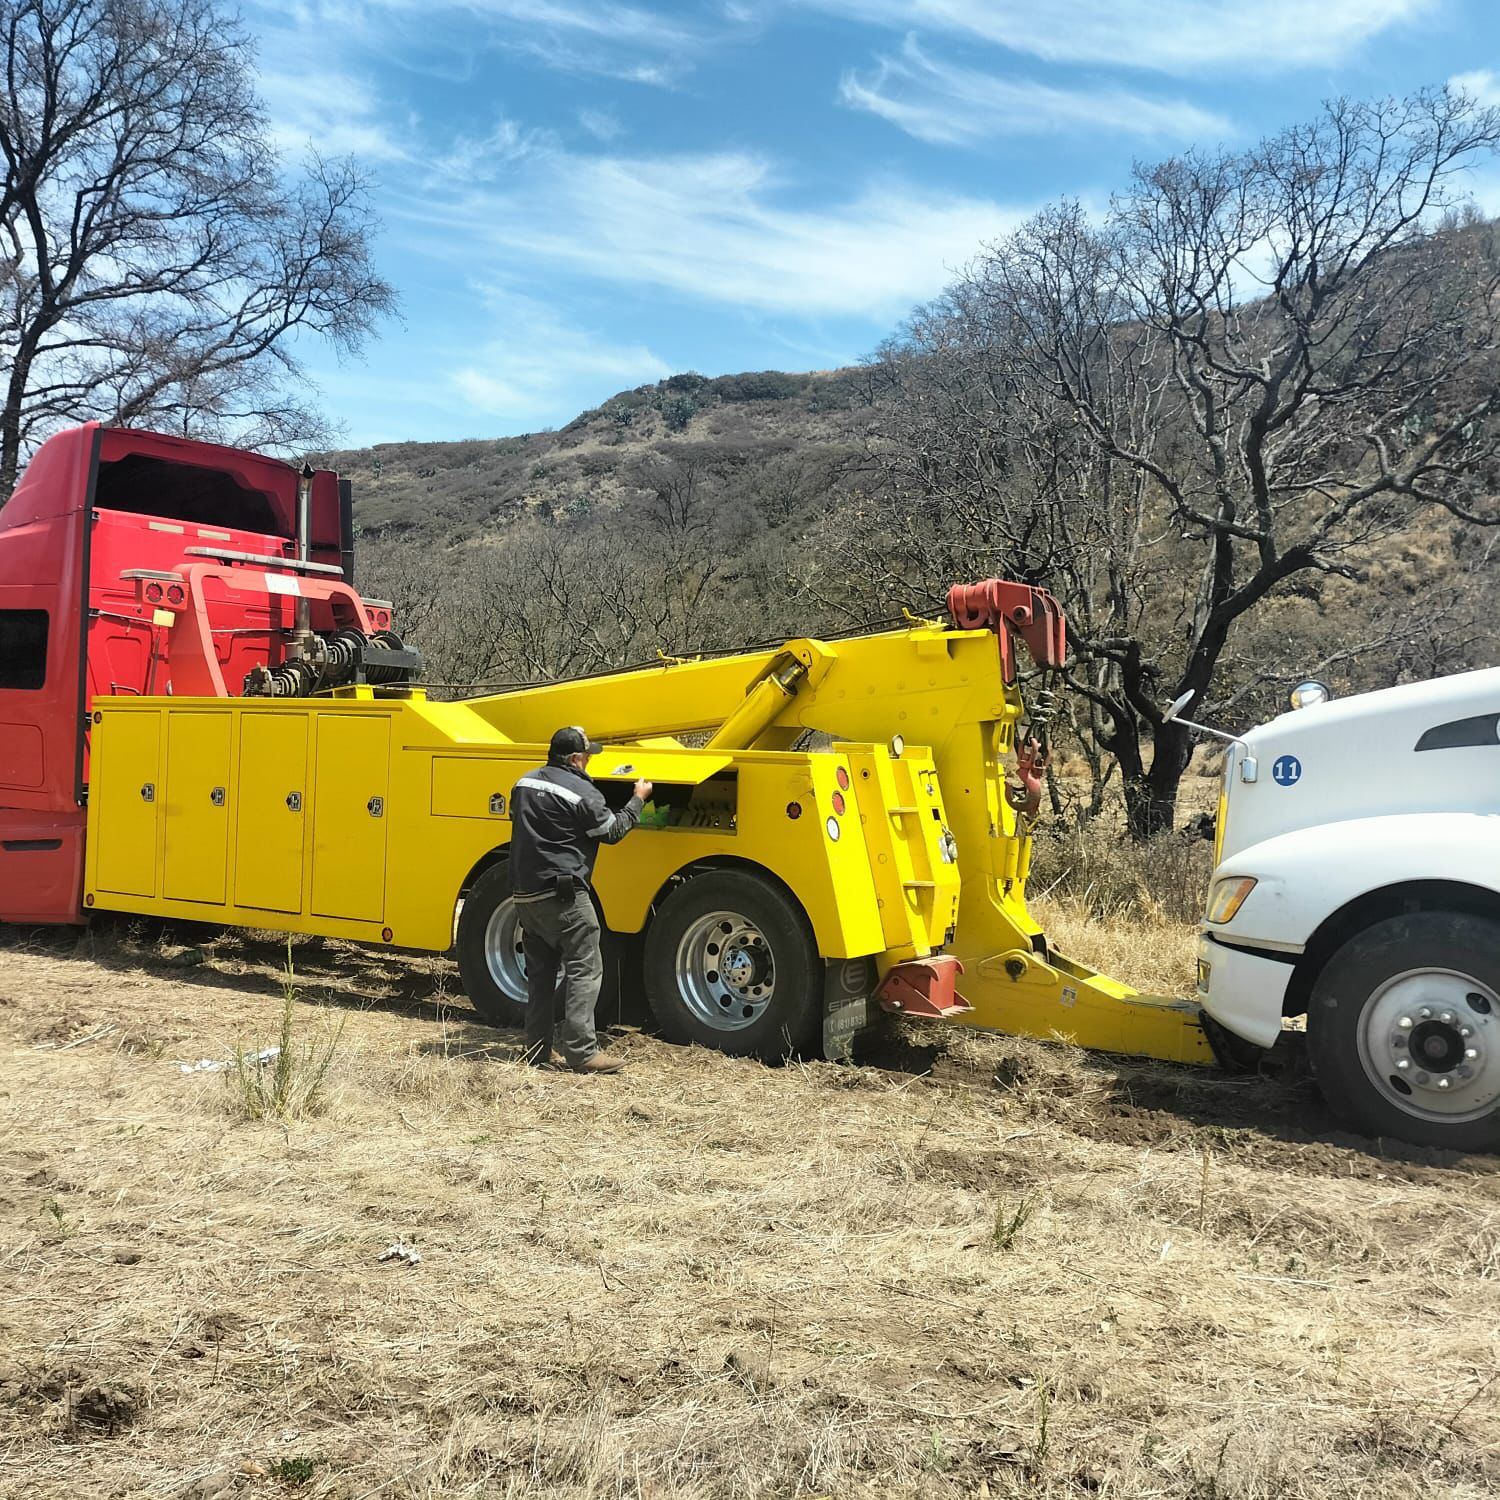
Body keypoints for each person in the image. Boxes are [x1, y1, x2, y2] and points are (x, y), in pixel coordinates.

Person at [509, 725, 652, 1074]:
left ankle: (537, 1050)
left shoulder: (524, 783)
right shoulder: (580, 790)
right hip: (564, 896)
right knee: (584, 968)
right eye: (587, 756)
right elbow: (611, 831)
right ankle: (582, 1052)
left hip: (525, 895)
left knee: (541, 976)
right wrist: (638, 799)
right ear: (575, 759)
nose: (589, 762)